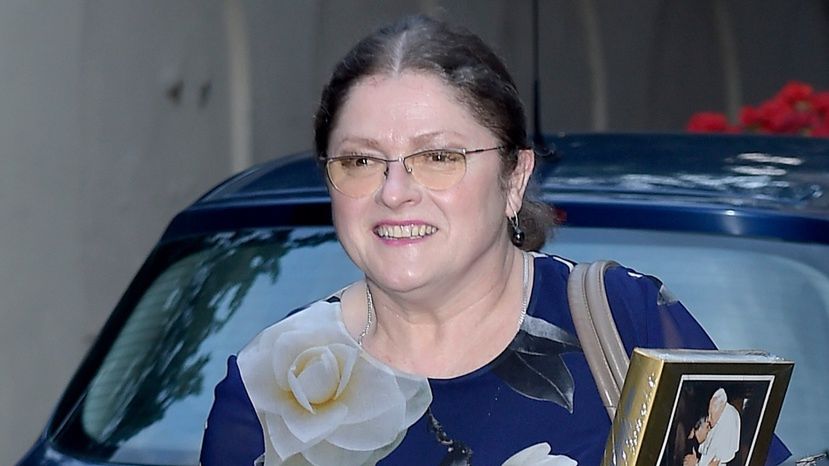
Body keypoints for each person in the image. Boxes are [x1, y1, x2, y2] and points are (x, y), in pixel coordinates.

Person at [199, 15, 788, 466]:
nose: (394, 191)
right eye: (359, 160)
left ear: (514, 179)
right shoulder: (266, 388)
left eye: (438, 157)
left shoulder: (626, 321)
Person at [685, 389, 741, 466]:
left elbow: (711, 461)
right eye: (709, 414)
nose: (709, 419)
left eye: (711, 415)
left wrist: (694, 464)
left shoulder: (728, 420)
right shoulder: (716, 415)